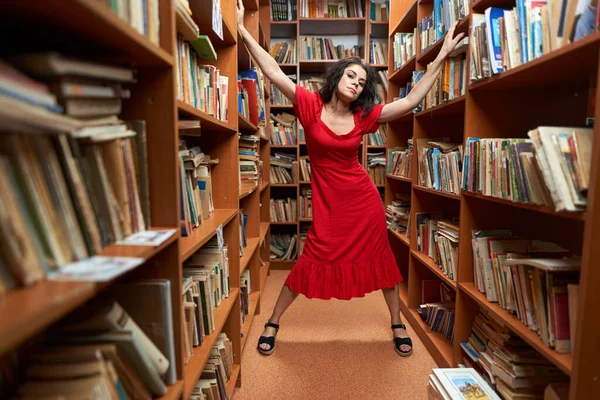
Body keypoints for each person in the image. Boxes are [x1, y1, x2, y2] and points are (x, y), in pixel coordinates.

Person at [236, 0, 464, 357]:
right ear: (337, 76)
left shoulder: (364, 117)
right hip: (329, 205)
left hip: (362, 201)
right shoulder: (309, 104)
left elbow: (411, 101)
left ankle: (396, 323)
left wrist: (442, 57)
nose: (356, 83)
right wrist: (242, 31)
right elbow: (273, 71)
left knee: (381, 261)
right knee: (311, 259)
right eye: (351, 76)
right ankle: (274, 322)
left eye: (362, 81)